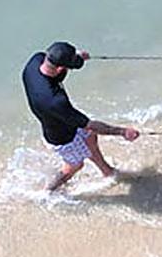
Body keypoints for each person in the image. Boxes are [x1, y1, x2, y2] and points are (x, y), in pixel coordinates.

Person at [22, 41, 140, 191]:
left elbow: (55, 77)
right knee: (75, 165)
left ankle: (107, 172)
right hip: (63, 138)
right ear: (60, 68)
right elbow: (90, 125)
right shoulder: (55, 101)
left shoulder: (35, 62)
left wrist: (75, 58)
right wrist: (123, 132)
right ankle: (48, 191)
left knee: (90, 137)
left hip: (55, 118)